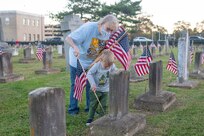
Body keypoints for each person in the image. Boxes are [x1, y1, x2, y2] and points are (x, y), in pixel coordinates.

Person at [66, 14, 119, 115]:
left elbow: (102, 47)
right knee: (76, 84)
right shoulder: (89, 27)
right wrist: (75, 47)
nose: (109, 33)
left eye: (112, 31)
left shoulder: (108, 34)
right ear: (102, 23)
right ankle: (73, 109)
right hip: (78, 59)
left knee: (91, 84)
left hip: (92, 61)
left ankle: (89, 108)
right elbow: (69, 38)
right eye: (108, 29)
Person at [86, 49, 117, 126]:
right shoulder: (97, 65)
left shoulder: (112, 65)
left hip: (106, 90)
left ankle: (102, 119)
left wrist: (119, 72)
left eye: (109, 66)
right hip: (96, 89)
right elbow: (89, 73)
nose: (107, 67)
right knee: (93, 105)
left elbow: (115, 72)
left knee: (104, 105)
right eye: (106, 65)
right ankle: (90, 119)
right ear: (101, 60)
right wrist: (92, 84)